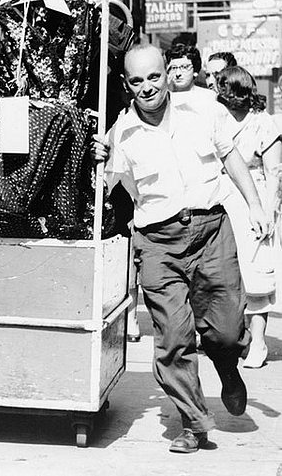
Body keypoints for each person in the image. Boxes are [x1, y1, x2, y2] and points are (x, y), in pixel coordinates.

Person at [92, 44, 269, 454]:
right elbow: (104, 190)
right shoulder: (120, 134)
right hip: (158, 242)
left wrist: (256, 205)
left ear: (166, 76)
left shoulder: (204, 109)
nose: (148, 87)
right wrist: (96, 160)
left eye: (154, 77)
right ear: (126, 85)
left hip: (211, 230)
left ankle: (227, 367)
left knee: (225, 330)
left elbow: (231, 157)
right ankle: (193, 422)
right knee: (172, 337)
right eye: (137, 81)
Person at [215, 66, 281, 369]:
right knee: (224, 274)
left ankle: (258, 343)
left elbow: (274, 171)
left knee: (256, 275)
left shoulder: (263, 123)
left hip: (254, 198)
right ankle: (233, 337)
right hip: (220, 197)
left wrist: (268, 212)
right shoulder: (215, 117)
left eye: (229, 89)